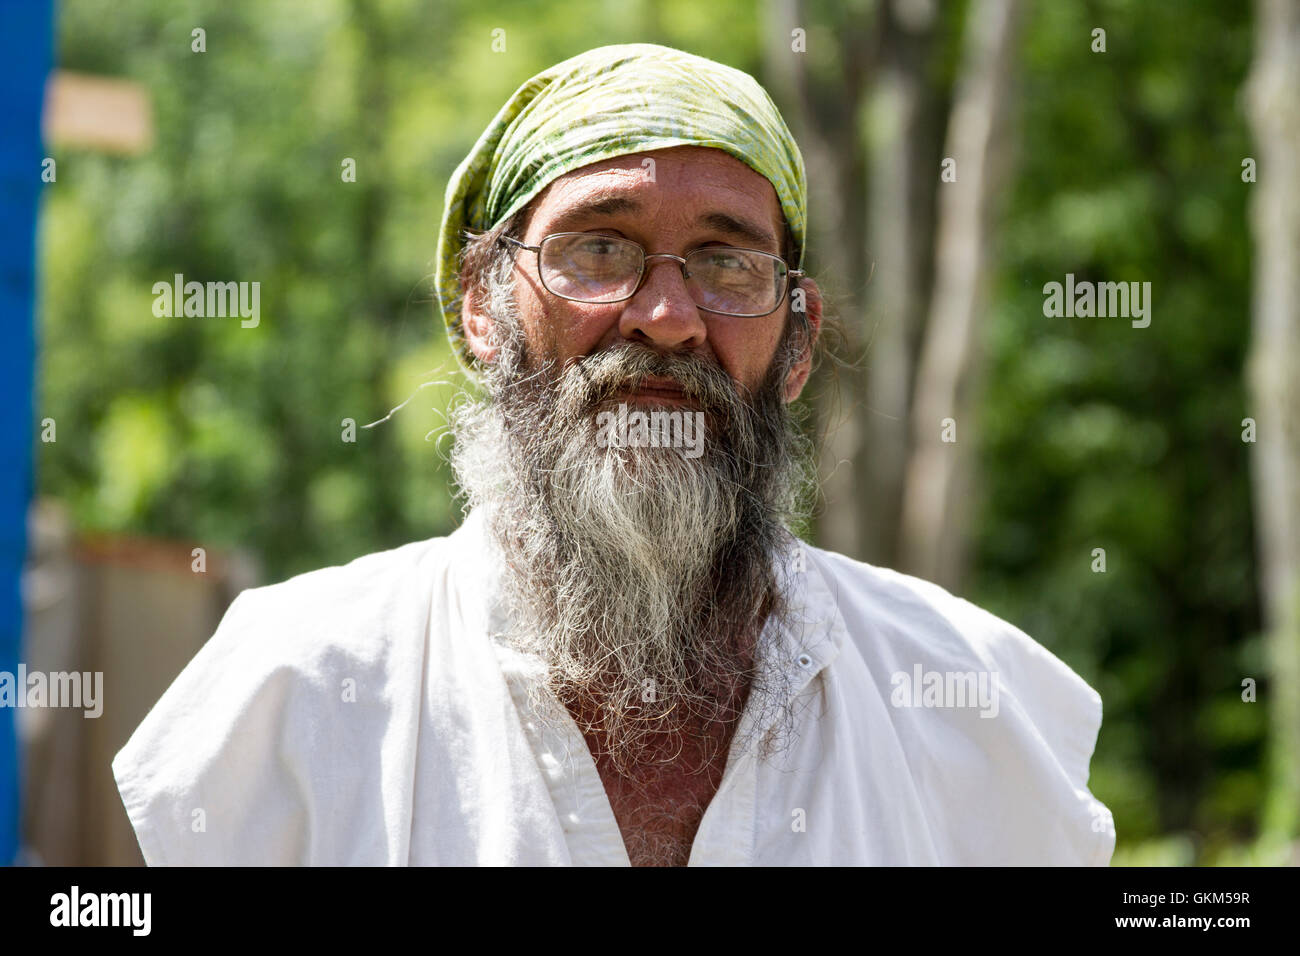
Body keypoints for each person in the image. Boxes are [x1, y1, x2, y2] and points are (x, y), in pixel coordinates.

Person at [113, 43, 1114, 866]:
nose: (669, 318)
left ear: (797, 341)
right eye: (598, 249)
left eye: (727, 262)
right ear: (482, 307)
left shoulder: (970, 701)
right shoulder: (296, 688)